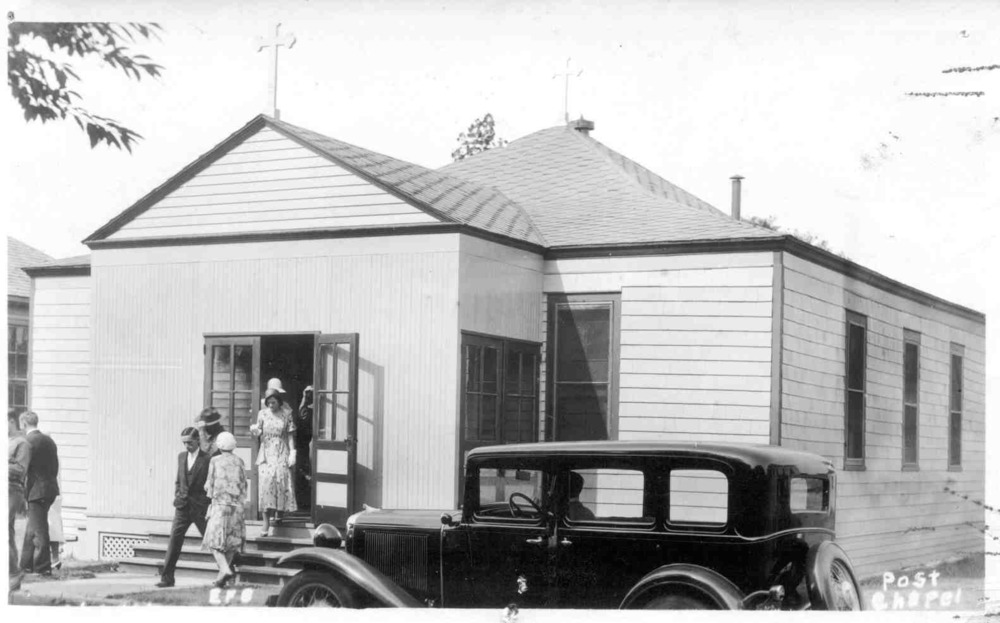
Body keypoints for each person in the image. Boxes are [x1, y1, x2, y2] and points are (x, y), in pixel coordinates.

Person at [156, 427, 212, 588]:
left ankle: (228, 570)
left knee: (212, 540)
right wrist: (178, 495)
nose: (187, 446)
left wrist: (207, 504)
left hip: (200, 508)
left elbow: (211, 483)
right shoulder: (181, 457)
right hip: (182, 507)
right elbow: (178, 479)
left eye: (189, 442)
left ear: (198, 441)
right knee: (174, 540)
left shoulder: (207, 459)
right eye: (184, 443)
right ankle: (167, 578)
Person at [201, 432, 246, 588]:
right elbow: (243, 485)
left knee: (213, 541)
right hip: (237, 507)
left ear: (219, 445)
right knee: (232, 543)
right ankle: (221, 577)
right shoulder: (240, 461)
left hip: (220, 505)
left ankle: (225, 569)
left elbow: (210, 484)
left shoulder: (215, 460)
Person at [250, 386, 296, 537]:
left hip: (281, 450)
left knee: (281, 481)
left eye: (273, 402)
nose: (270, 405)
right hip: (266, 451)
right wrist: (256, 431)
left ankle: (280, 513)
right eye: (268, 402)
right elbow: (259, 431)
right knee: (266, 484)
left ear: (279, 402)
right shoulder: (262, 414)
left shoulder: (286, 414)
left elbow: (290, 435)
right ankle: (265, 522)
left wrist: (292, 453)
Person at [19, 411, 60, 576]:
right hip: (50, 488)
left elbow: (22, 468)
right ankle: (26, 565)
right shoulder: (49, 441)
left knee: (39, 530)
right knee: (32, 528)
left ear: (23, 424)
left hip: (36, 491)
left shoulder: (27, 442)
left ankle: (43, 568)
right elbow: (55, 467)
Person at [8, 408, 31, 590]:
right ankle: (12, 572)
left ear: (11, 422)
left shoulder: (22, 443)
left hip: (12, 489)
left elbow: (21, 470)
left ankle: (14, 572)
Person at [294, 386, 314, 509]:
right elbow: (302, 416)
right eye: (307, 394)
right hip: (304, 443)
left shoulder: (316, 408)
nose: (308, 396)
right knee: (303, 470)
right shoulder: (305, 409)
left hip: (313, 443)